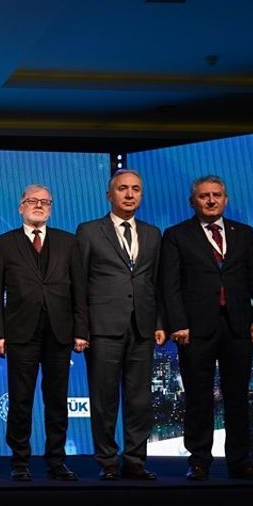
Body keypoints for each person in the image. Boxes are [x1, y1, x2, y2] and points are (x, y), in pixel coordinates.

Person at [159, 175, 253, 481]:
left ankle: (240, 461)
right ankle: (198, 461)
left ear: (226, 199)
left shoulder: (244, 233)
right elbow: (170, 285)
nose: (211, 200)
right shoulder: (176, 234)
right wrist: (178, 323)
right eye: (204, 196)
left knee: (238, 396)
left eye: (217, 195)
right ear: (192, 201)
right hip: (194, 329)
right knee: (197, 396)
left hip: (237, 325)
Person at [0, 184, 88, 482]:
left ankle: (56, 460)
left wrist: (81, 330)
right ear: (21, 207)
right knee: (20, 399)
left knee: (57, 400)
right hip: (20, 332)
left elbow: (79, 291)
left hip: (60, 331)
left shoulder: (68, 242)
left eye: (45, 202)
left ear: (51, 208)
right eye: (33, 201)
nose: (39, 206)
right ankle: (20, 460)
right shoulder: (4, 243)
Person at [76, 169, 165, 481]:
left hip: (142, 326)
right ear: (109, 195)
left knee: (140, 398)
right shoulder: (88, 231)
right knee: (104, 398)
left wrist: (159, 322)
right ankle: (107, 460)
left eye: (136, 189)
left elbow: (157, 283)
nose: (130, 194)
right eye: (123, 189)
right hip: (102, 327)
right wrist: (81, 329)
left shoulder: (154, 233)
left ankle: (135, 460)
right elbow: (80, 283)